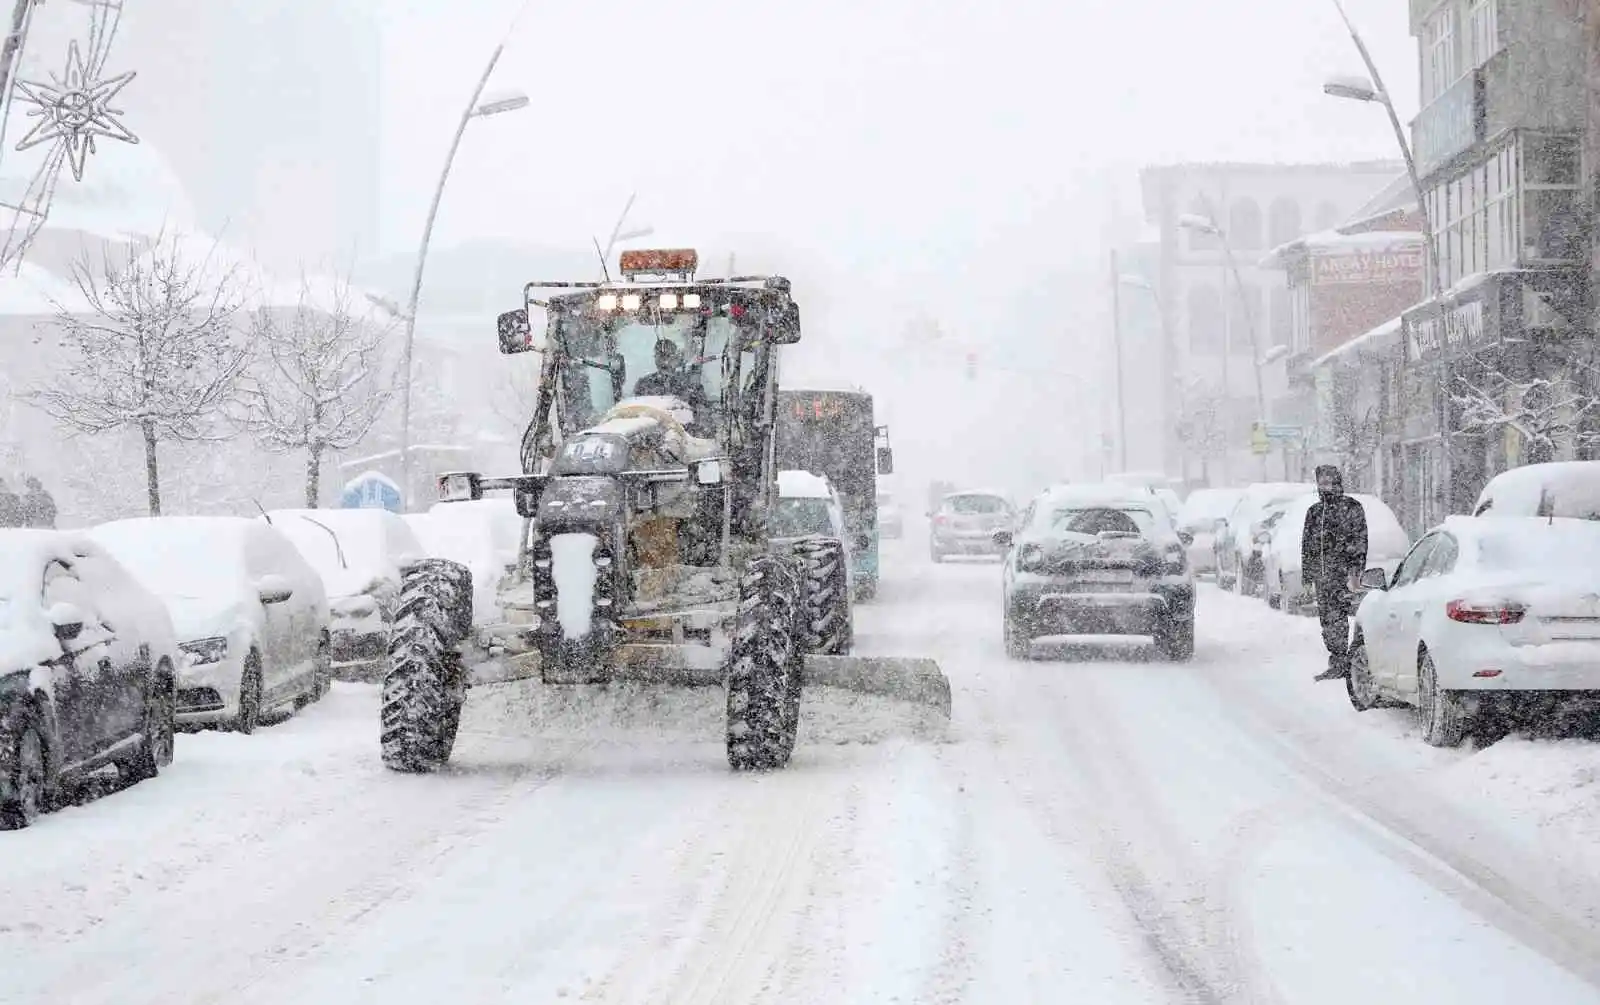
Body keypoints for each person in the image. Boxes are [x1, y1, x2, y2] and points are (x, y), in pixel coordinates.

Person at [1302, 464, 1368, 682]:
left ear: (1337, 482)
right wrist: (1308, 575)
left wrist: (1356, 569)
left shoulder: (1351, 507)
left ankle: (1349, 661)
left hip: (1342, 575)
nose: (1324, 487)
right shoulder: (1314, 512)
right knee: (1328, 619)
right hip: (1323, 577)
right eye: (1321, 482)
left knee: (1344, 617)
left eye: (1328, 482)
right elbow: (1308, 545)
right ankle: (1338, 659)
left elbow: (1360, 540)